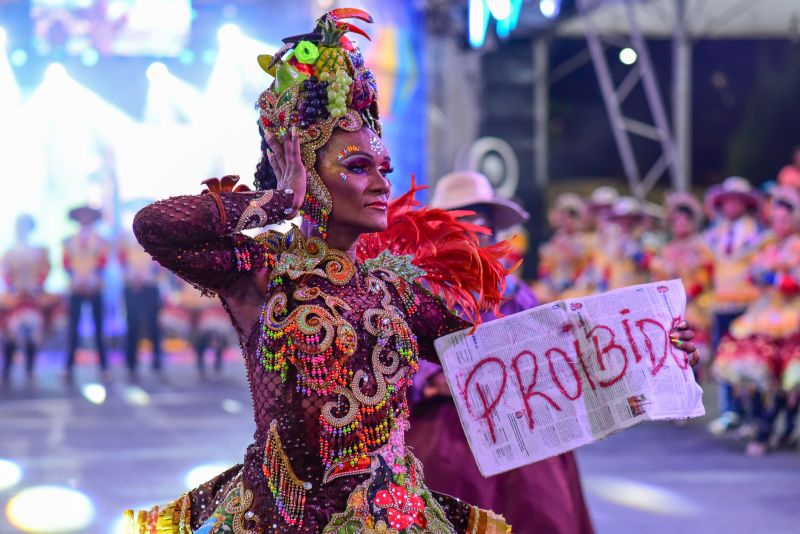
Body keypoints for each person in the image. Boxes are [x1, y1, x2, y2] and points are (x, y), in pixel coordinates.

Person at [124, 9, 699, 533]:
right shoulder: (261, 268)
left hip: (395, 516)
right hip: (283, 517)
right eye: (356, 166)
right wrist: (277, 202)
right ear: (303, 171)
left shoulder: (391, 285)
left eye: (384, 167)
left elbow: (515, 352)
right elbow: (156, 226)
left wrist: (648, 346)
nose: (380, 183)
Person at [406, 171, 595, 534]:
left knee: (543, 506)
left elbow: (545, 349)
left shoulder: (516, 292)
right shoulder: (415, 291)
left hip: (518, 420)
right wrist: (434, 381)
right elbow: (394, 357)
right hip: (444, 423)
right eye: (462, 223)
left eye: (481, 222)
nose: (474, 232)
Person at [713, 185, 800, 455]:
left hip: (791, 315)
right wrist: (757, 276)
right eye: (776, 218)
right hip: (762, 314)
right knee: (753, 369)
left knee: (790, 378)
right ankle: (762, 426)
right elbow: (750, 273)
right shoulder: (766, 245)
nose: (779, 223)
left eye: (785, 218)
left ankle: (782, 426)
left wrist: (775, 279)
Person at [704, 177, 763, 434]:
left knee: (751, 359)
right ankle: (730, 410)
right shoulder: (714, 235)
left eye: (736, 201)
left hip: (749, 305)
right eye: (728, 201)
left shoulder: (757, 234)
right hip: (721, 306)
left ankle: (753, 413)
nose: (731, 206)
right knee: (723, 357)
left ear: (745, 204)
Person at [650, 193, 714, 366]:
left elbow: (704, 279)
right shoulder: (666, 250)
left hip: (693, 307)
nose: (680, 224)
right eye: (676, 220)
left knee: (692, 357)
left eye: (685, 219)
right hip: (668, 309)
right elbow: (658, 280)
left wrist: (685, 298)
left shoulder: (700, 248)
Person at [0, 215, 53, 386]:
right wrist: (14, 287)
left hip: (31, 296)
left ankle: (30, 369)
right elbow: (6, 274)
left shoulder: (39, 251)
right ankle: (7, 369)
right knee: (10, 333)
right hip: (15, 298)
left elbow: (44, 271)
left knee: (32, 332)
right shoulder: (10, 252)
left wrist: (36, 285)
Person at [63, 205, 110, 384]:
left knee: (99, 328)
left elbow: (102, 263)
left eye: (88, 215)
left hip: (95, 287)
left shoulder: (100, 241)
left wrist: (90, 280)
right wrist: (77, 279)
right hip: (75, 287)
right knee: (72, 328)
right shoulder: (68, 241)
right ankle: (68, 368)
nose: (85, 218)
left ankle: (104, 367)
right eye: (82, 215)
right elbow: (66, 263)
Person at [120, 230, 164, 382]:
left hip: (150, 286)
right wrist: (133, 278)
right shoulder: (125, 242)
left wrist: (146, 276)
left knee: (154, 327)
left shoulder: (155, 238)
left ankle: (157, 363)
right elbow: (121, 262)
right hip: (131, 287)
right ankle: (131, 365)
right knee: (132, 326)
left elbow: (161, 262)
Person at [535, 192, 593, 302]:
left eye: (572, 215)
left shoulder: (588, 241)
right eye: (563, 214)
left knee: (569, 296)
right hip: (554, 290)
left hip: (579, 289)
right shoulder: (553, 242)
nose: (566, 219)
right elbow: (544, 269)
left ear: (580, 218)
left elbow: (590, 272)